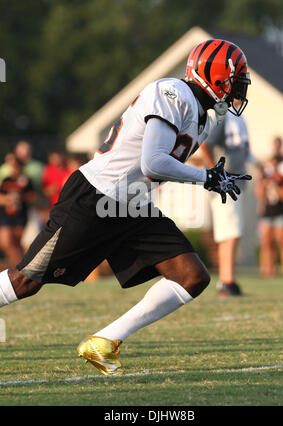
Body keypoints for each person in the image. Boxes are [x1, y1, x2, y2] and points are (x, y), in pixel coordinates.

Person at [0, 39, 251, 376]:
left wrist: (206, 177)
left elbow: (155, 170)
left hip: (133, 205)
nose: (236, 93)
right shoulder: (173, 93)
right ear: (215, 76)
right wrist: (205, 177)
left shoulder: (203, 120)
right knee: (25, 281)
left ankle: (104, 342)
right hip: (96, 197)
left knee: (192, 276)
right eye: (234, 84)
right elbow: (153, 163)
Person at [194, 99, 253, 296]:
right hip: (225, 184)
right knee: (230, 232)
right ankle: (227, 280)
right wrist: (217, 175)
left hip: (236, 183)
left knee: (232, 231)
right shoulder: (223, 117)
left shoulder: (239, 117)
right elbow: (205, 145)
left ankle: (227, 279)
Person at [255, 157, 283, 276]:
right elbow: (259, 195)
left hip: (280, 213)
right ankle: (268, 270)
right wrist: (264, 185)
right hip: (266, 214)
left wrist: (276, 187)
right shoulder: (264, 180)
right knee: (266, 243)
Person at [0, 154, 36, 267]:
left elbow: (33, 197)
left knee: (17, 245)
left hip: (21, 216)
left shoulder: (26, 180)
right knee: (6, 242)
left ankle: (19, 269)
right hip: (6, 216)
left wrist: (21, 197)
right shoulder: (7, 180)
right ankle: (20, 268)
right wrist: (8, 199)